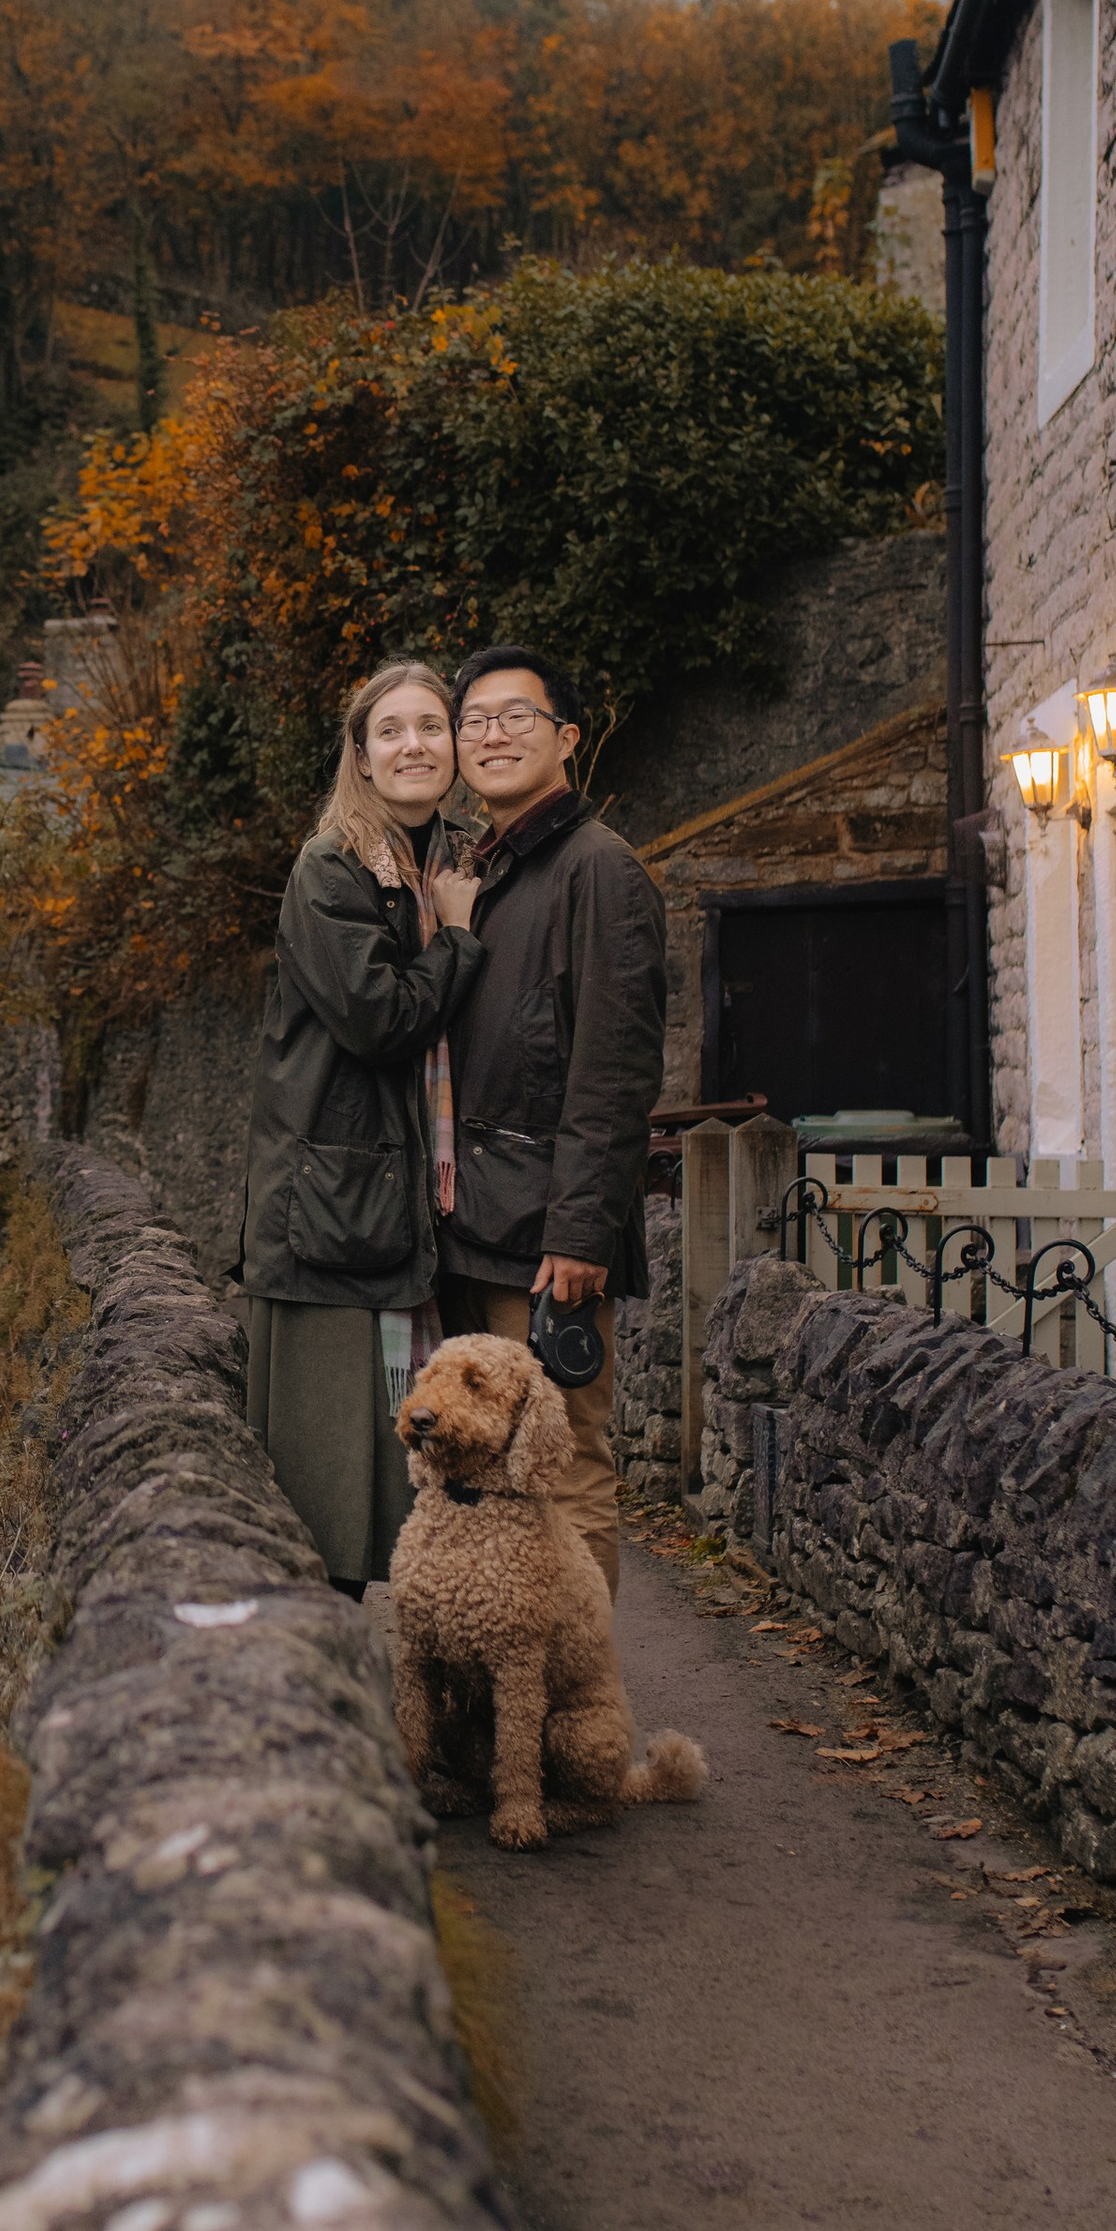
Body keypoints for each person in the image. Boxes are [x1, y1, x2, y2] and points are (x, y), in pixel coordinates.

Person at [239, 660, 487, 1593]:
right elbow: (376, 1017)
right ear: (362, 754)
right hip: (335, 1213)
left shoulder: (455, 860)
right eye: (392, 729)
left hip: (414, 1203)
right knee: (326, 1499)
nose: (415, 744)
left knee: (409, 1501)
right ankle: (320, 1722)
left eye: (432, 725)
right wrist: (457, 940)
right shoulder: (332, 867)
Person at [433, 643, 667, 1599]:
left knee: (562, 1469)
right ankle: (504, 1717)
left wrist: (579, 1231)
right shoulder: (478, 870)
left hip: (544, 1239)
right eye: (474, 720)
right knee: (478, 1476)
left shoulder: (599, 869)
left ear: (566, 738)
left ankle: (580, 1710)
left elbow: (613, 1072)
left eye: (515, 716)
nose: (491, 734)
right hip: (472, 1223)